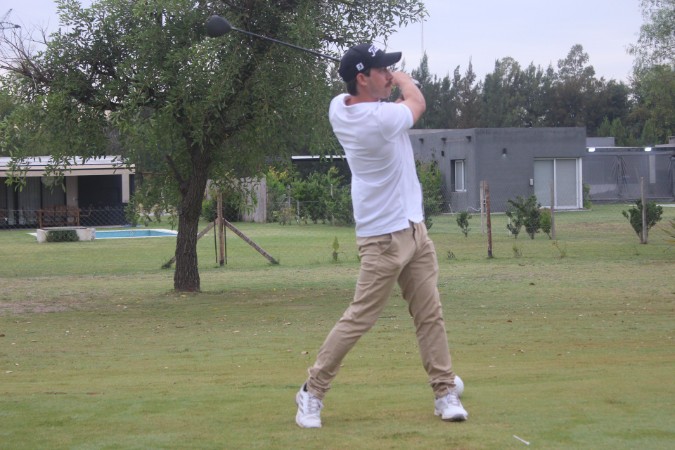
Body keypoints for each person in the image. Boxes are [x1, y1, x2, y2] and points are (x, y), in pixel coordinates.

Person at [295, 43, 468, 428]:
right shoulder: (377, 119)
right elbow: (417, 103)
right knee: (360, 318)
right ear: (362, 78)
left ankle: (444, 390)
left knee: (430, 314)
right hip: (383, 239)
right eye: (383, 70)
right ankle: (312, 391)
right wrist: (405, 80)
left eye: (391, 69)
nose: (390, 75)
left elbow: (381, 99)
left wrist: (387, 82)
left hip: (414, 228)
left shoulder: (339, 106)